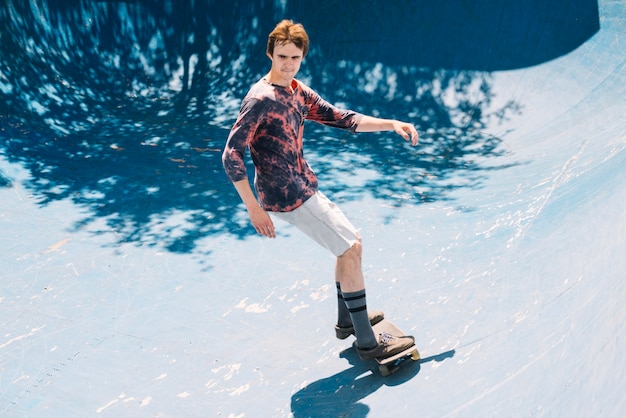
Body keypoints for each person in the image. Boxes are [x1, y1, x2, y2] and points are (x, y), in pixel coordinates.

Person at [222, 19, 419, 361]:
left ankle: (347, 322)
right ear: (270, 54)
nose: (288, 64)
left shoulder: (298, 91)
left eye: (295, 58)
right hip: (286, 194)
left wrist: (392, 124)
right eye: (282, 56)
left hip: (303, 185)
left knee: (350, 244)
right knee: (351, 249)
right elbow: (230, 154)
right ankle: (368, 343)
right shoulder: (260, 98)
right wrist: (253, 208)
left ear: (302, 58)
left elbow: (343, 118)